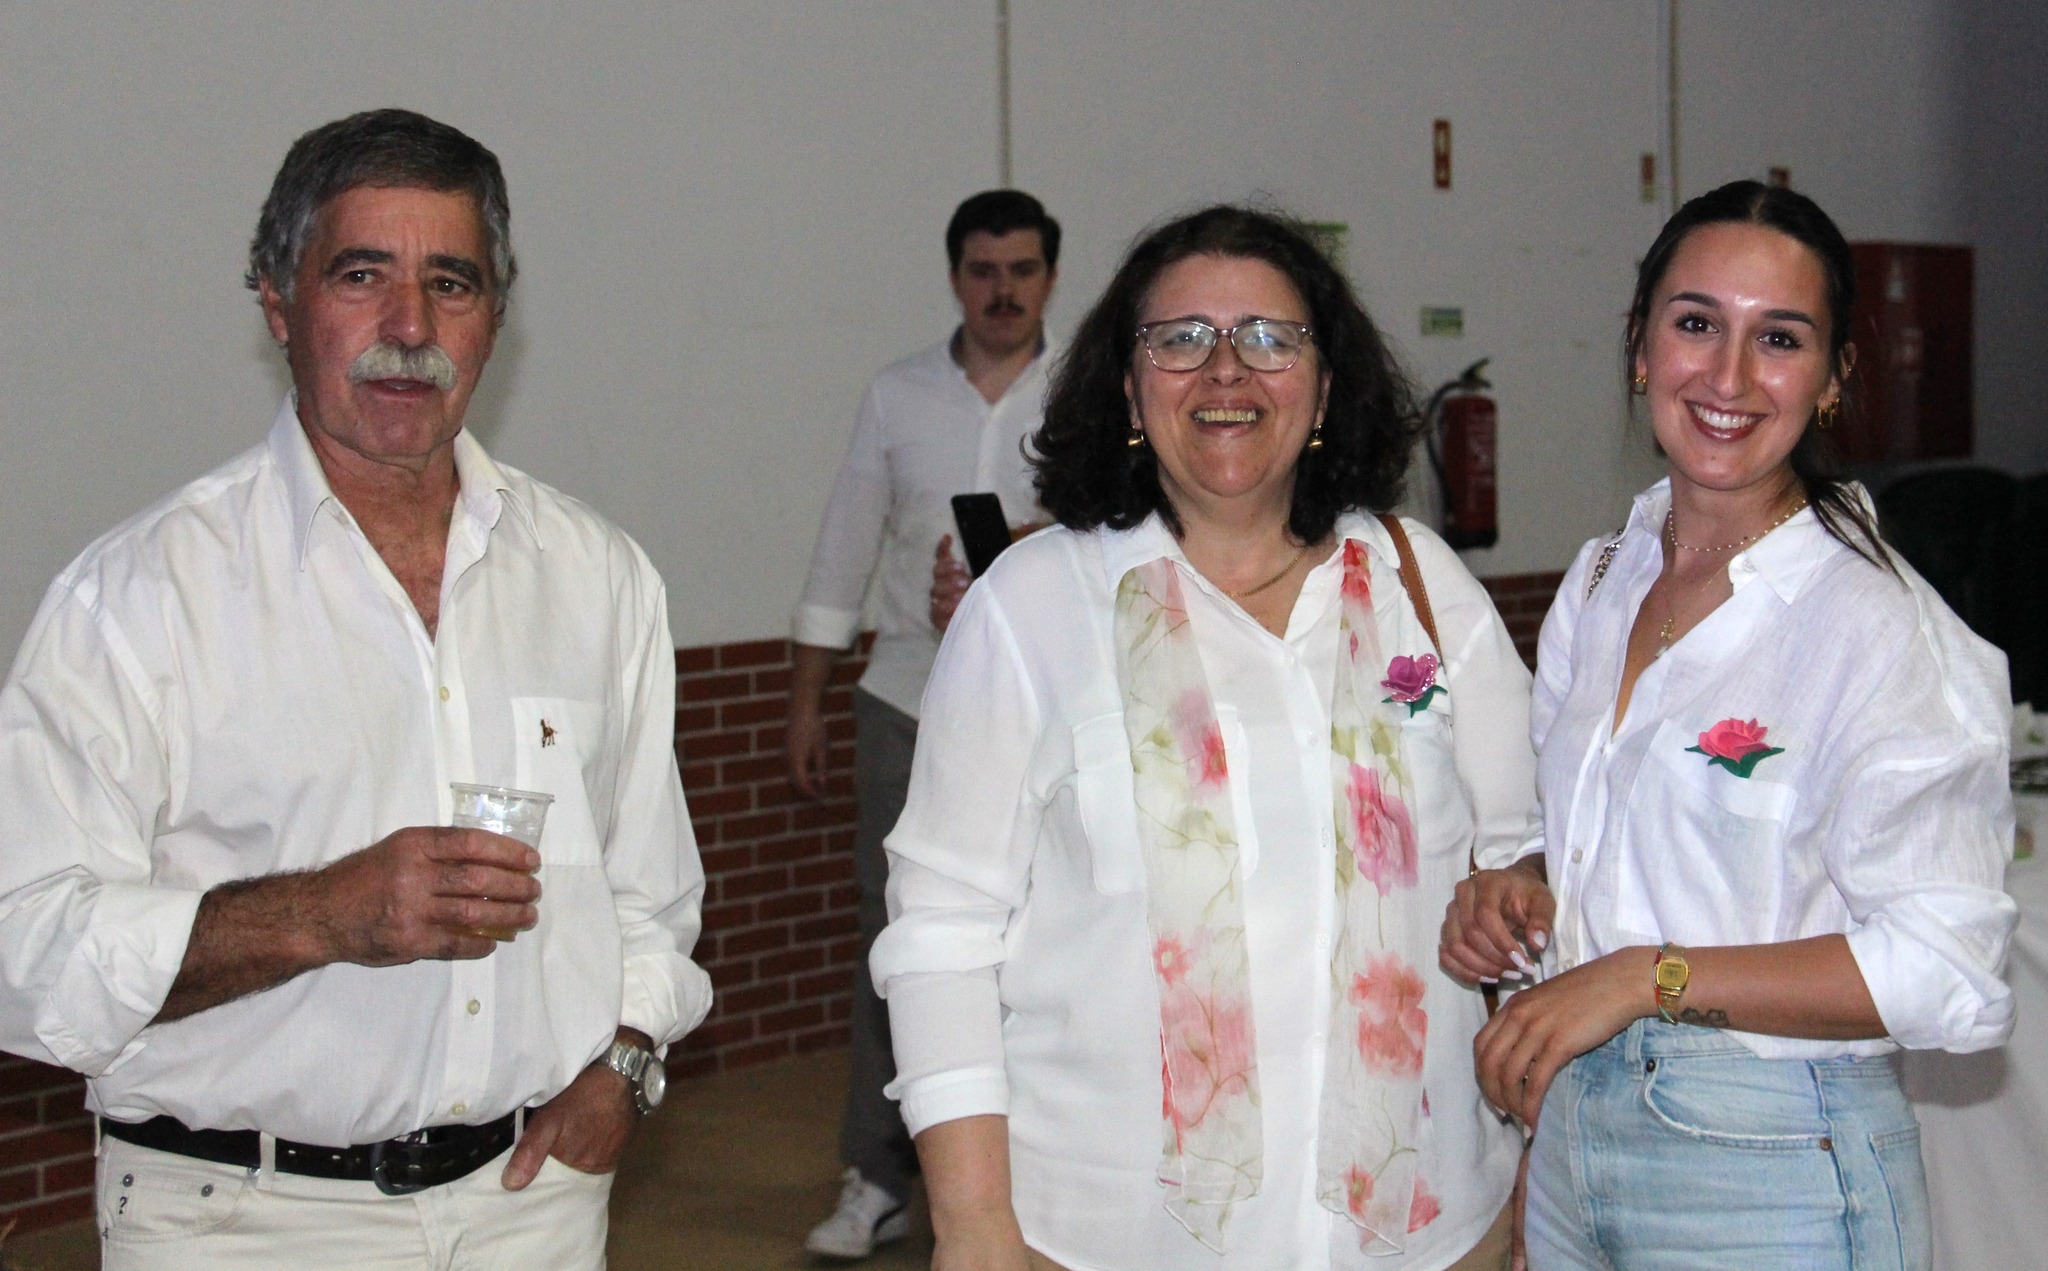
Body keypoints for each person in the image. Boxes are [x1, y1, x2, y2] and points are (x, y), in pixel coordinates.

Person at [0, 109, 712, 1269]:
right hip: (245, 1218)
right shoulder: (136, 598)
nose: (409, 327)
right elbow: (23, 952)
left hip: (530, 1205)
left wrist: (627, 1059)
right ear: (278, 304)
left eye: (451, 283)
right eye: (361, 275)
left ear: (495, 319)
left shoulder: (598, 576)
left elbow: (651, 897)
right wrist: (320, 912)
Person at [873, 205, 1538, 1271]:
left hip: (1428, 1233)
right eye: (1181, 339)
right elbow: (941, 931)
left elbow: (1525, 862)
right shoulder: (1034, 607)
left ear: (1324, 387)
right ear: (1128, 389)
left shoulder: (1419, 586)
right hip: (1101, 1239)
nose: (1226, 369)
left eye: (1270, 338)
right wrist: (972, 1219)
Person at [1439, 180, 2016, 1270]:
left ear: (1833, 377)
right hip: (1575, 1136)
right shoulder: (1604, 577)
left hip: (1773, 1163)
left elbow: (1946, 968)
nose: (1730, 376)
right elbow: (1610, 842)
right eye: (1696, 323)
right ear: (1639, 345)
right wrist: (1525, 882)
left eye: (1780, 338)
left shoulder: (1878, 628)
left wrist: (1644, 976)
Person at [788, 189, 1062, 1259]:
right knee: (893, 944)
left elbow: (1131, 528)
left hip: (1041, 709)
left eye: (1022, 270)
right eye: (983, 270)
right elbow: (842, 545)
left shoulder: (1089, 391)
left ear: (1049, 278)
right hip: (906, 697)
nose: (1003, 290)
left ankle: (1024, 1175)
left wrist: (1026, 555)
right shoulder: (896, 394)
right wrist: (806, 699)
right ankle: (877, 1174)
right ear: (955, 277)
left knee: (1036, 940)